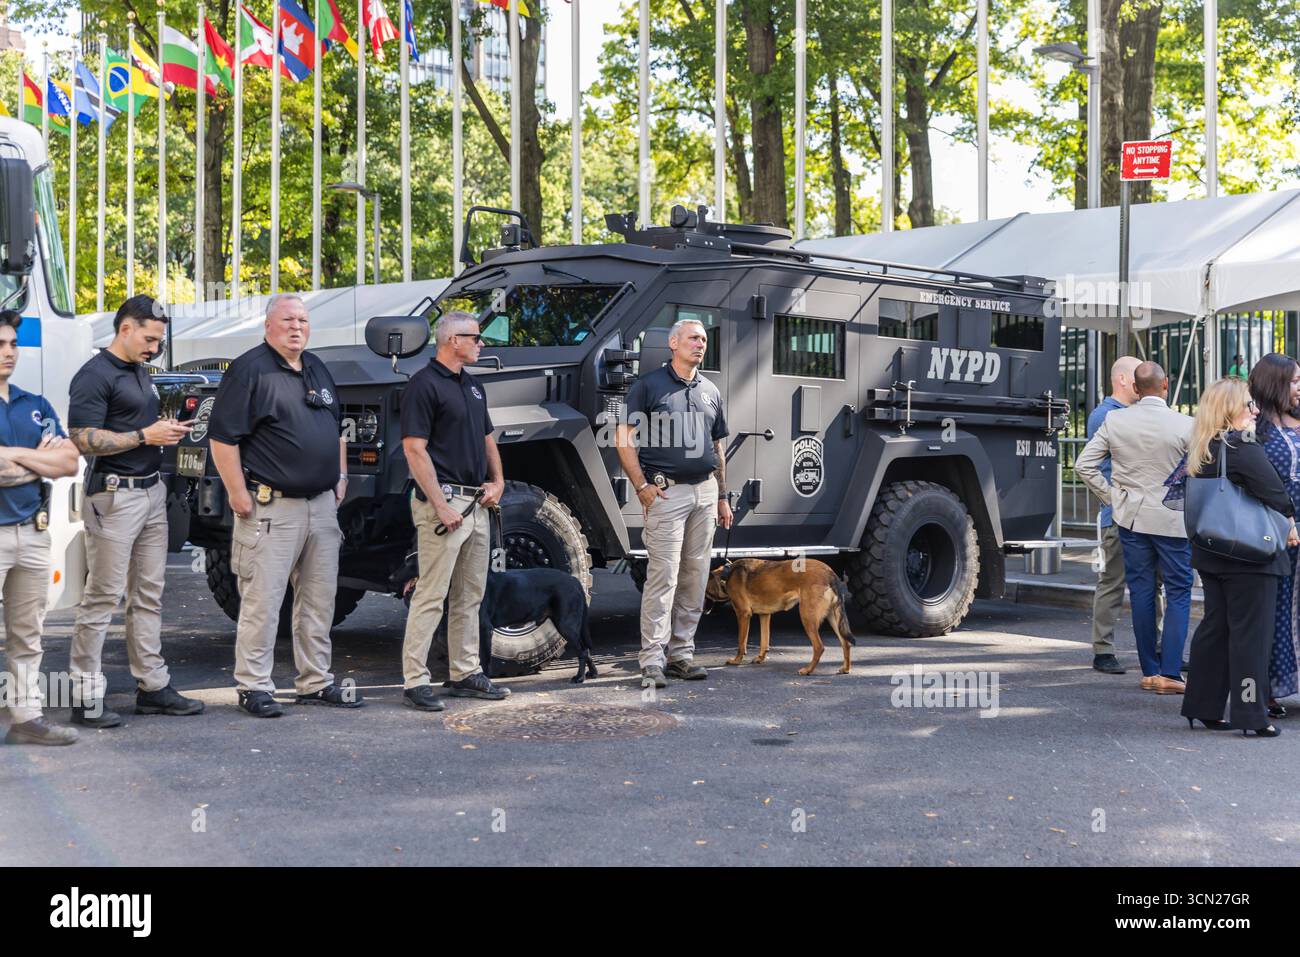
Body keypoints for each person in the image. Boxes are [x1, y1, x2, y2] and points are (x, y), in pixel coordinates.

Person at [208, 294, 362, 718]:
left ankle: (315, 681)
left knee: (319, 600)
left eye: (303, 320)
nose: (297, 327)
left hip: (321, 507)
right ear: (268, 326)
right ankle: (254, 686)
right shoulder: (249, 370)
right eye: (288, 319)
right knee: (263, 599)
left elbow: (337, 430)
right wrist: (237, 493)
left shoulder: (317, 368)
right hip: (270, 508)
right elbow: (223, 439)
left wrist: (342, 476)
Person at [67, 296, 205, 727]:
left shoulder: (138, 371)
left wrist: (165, 432)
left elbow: (132, 428)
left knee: (149, 594)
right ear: (125, 328)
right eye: (149, 338)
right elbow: (83, 439)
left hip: (149, 494)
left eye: (159, 340)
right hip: (113, 496)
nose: (154, 347)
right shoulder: (94, 375)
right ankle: (85, 695)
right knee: (102, 598)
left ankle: (153, 686)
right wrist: (146, 435)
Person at [399, 310, 508, 709]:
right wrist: (441, 505)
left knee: (470, 595)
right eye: (476, 338)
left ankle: (465, 673)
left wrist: (498, 481)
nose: (481, 345)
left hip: (477, 503)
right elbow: (415, 449)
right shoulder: (423, 385)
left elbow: (487, 437)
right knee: (431, 592)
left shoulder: (474, 387)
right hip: (442, 504)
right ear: (452, 340)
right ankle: (415, 680)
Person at [617, 318, 734, 689]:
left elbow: (718, 448)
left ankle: (681, 656)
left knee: (695, 579)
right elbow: (624, 439)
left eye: (703, 339)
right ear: (673, 343)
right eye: (692, 339)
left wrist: (722, 496)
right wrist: (641, 487)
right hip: (666, 495)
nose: (700, 345)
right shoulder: (648, 386)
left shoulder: (711, 390)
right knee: (662, 578)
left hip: (705, 494)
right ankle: (652, 661)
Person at [1181, 377, 1295, 737]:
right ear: (1230, 408)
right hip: (1250, 554)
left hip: (1211, 552)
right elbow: (1275, 492)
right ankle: (1251, 715)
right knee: (1250, 637)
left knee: (1215, 629)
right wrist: (1291, 521)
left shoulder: (1204, 446)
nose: (1255, 410)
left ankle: (1201, 707)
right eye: (1248, 404)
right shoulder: (1243, 447)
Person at [1076, 361, 1193, 694]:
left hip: (1130, 517)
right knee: (1178, 592)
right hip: (1172, 519)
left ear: (1137, 390)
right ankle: (1170, 671)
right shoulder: (1186, 424)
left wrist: (1113, 495)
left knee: (1140, 592)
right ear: (1166, 385)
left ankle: (1149, 670)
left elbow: (1084, 465)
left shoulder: (1115, 420)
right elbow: (1199, 471)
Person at [0, 312, 81, 745]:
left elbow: (68, 462)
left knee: (28, 633)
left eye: (13, 344)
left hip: (33, 533)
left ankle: (26, 719)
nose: (8, 352)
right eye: (0, 344)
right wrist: (37, 460)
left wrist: (12, 455)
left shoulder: (36, 404)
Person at [1248, 352, 1300, 718]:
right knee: (1275, 610)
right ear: (1276, 384)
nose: (1299, 387)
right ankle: (1264, 688)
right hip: (1273, 531)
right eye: (1295, 381)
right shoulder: (1254, 428)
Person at [1086, 355, 1141, 675]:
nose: (1142, 381)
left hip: (1141, 515)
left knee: (1151, 583)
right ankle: (1103, 650)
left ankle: (1160, 646)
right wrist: (1112, 501)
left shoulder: (1133, 413)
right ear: (1121, 379)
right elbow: (1090, 466)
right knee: (1112, 582)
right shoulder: (1104, 416)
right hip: (1118, 516)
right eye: (1137, 375)